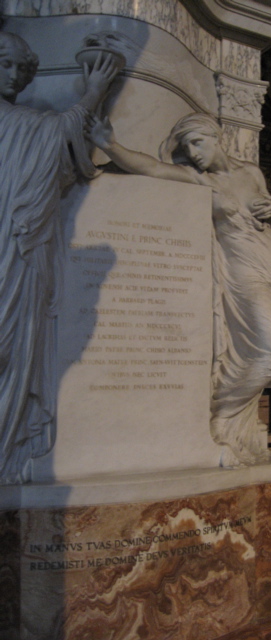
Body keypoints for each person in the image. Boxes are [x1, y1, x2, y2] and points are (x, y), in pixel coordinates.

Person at [86, 111, 271, 467]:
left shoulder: (250, 172)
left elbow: (270, 213)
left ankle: (233, 424)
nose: (194, 152)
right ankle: (220, 417)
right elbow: (151, 168)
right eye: (186, 146)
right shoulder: (196, 180)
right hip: (245, 271)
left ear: (217, 138)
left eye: (198, 142)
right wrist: (110, 144)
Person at [0, 32, 118, 484]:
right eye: (3, 64)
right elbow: (57, 135)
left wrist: (95, 96)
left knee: (11, 347)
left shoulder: (24, 123)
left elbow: (59, 148)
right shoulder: (22, 123)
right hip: (15, 244)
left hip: (17, 252)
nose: (12, 75)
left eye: (19, 67)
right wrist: (94, 91)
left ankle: (7, 448)